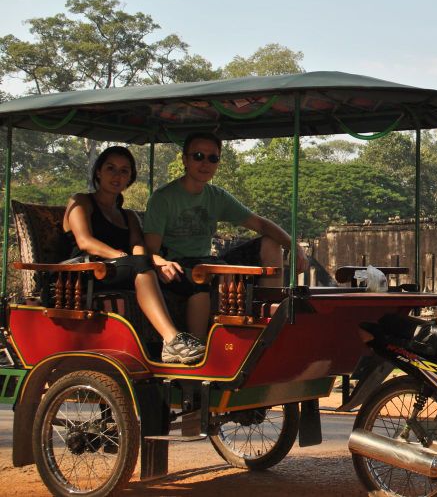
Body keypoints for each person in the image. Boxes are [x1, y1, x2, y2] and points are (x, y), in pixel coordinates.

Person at [143, 133, 309, 338]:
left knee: (270, 243)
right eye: (198, 156)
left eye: (212, 158)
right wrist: (160, 263)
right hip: (178, 266)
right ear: (185, 159)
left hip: (209, 262)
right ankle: (198, 345)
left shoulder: (217, 196)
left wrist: (295, 247)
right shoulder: (163, 198)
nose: (205, 163)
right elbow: (151, 249)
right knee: (201, 277)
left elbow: (259, 224)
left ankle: (270, 319)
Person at [63, 146, 205, 364]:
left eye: (124, 171)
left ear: (130, 177)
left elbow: (139, 245)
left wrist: (155, 263)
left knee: (192, 280)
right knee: (139, 265)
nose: (117, 175)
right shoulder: (81, 201)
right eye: (111, 168)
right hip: (86, 273)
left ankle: (196, 347)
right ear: (98, 171)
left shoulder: (128, 215)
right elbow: (85, 241)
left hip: (124, 269)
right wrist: (122, 257)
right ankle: (172, 341)